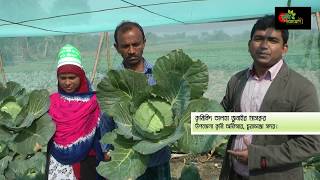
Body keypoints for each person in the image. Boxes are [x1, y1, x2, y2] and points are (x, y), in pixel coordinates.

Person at [219, 15, 320, 180]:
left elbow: (311, 142)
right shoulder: (236, 81)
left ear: (284, 48)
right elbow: (221, 116)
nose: (264, 46)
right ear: (249, 45)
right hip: (234, 173)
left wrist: (257, 157)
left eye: (273, 40)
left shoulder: (302, 88)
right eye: (258, 39)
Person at [112, 21, 171, 179]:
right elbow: (106, 119)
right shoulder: (112, 81)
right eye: (125, 46)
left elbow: (175, 110)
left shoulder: (160, 76)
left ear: (144, 43)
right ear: (116, 48)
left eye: (136, 44)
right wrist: (106, 149)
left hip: (158, 156)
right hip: (129, 156)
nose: (131, 51)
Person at [47, 44, 106, 180]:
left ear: (81, 76)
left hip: (89, 161)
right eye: (63, 78)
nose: (67, 82)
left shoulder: (94, 102)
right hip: (59, 165)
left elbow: (103, 132)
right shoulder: (52, 101)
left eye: (72, 77)